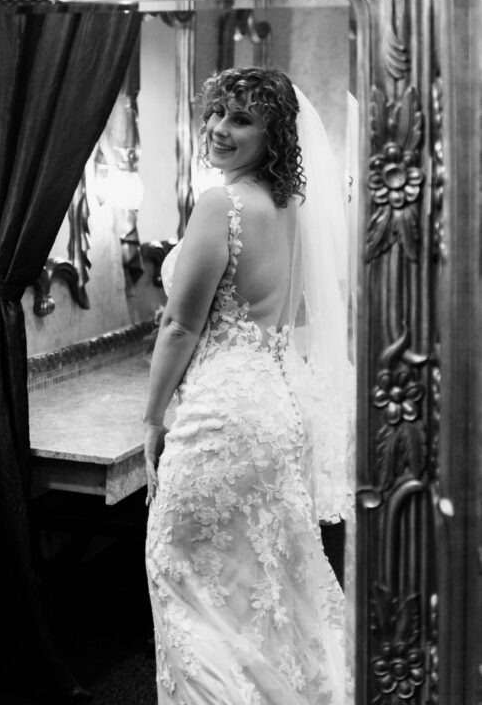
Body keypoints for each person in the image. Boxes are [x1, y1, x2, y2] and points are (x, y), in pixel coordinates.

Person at [144, 66, 352, 705]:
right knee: (262, 583)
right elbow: (301, 314)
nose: (218, 129)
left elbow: (181, 325)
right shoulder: (290, 207)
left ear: (274, 134)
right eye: (215, 113)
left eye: (241, 119)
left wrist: (152, 416)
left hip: (224, 413)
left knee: (176, 569)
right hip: (276, 405)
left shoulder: (221, 203)